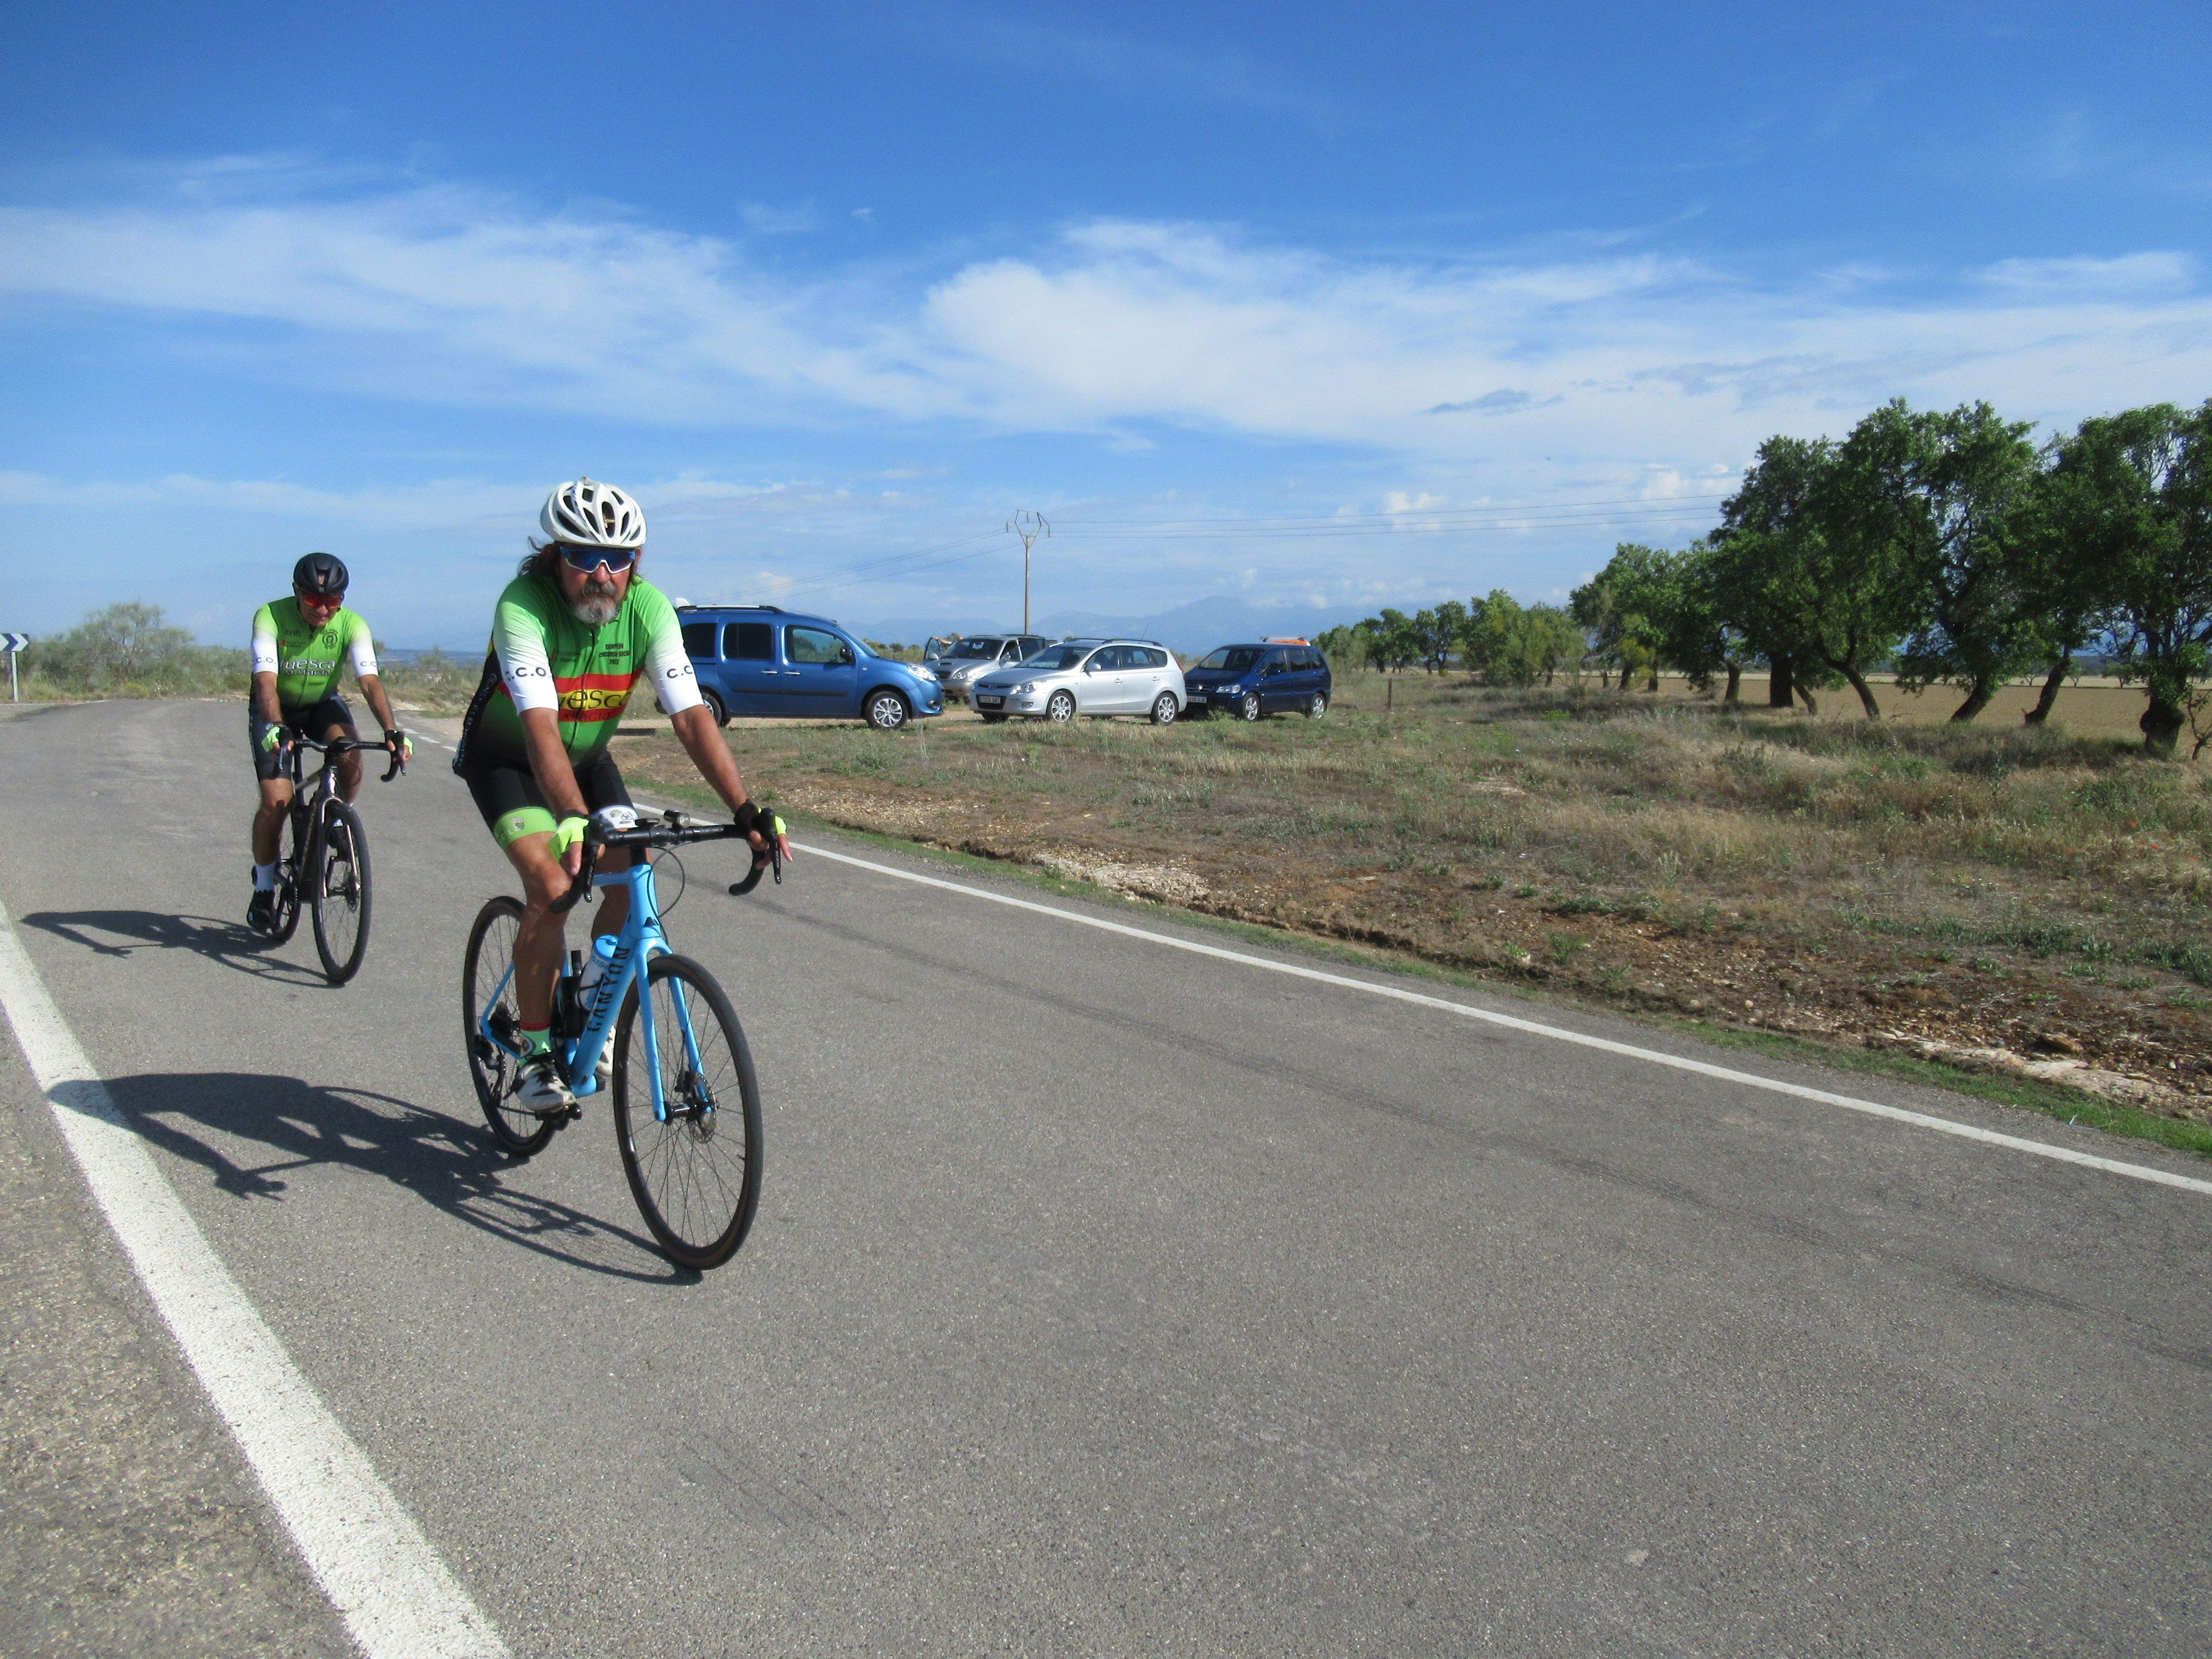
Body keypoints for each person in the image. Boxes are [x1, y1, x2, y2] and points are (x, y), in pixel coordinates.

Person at [454, 477, 791, 1112]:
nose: (602, 574)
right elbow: (539, 728)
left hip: (585, 759)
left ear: (638, 562)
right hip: (510, 759)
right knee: (553, 888)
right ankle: (532, 1055)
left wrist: (744, 810)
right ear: (557, 555)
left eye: (620, 559)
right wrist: (574, 822)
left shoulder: (649, 609)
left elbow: (692, 717)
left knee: (632, 869)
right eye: (584, 556)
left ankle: (588, 1002)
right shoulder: (522, 606)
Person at [247, 553, 410, 933]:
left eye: (333, 602)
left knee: (350, 755)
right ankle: (265, 888)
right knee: (277, 802)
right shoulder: (270, 616)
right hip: (276, 709)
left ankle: (337, 813)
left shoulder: (353, 625)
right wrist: (275, 726)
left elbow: (369, 681)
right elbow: (266, 680)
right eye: (313, 600)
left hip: (322, 705)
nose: (323, 610)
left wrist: (391, 730)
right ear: (296, 594)